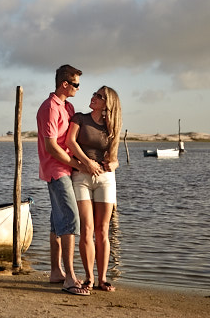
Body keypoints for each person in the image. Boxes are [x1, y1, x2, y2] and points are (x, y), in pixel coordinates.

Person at [36, 64, 88, 296]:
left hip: (67, 168)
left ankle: (56, 271)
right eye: (75, 84)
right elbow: (51, 146)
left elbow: (70, 140)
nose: (78, 88)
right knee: (70, 219)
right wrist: (77, 164)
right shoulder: (49, 107)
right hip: (56, 169)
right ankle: (69, 278)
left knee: (57, 222)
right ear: (64, 84)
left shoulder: (68, 107)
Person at [67, 85, 122, 292]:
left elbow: (114, 158)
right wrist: (87, 162)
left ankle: (103, 278)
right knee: (87, 229)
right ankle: (89, 278)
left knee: (102, 230)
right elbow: (70, 142)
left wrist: (114, 164)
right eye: (94, 94)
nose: (94, 97)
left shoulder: (111, 127)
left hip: (105, 179)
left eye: (99, 96)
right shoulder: (80, 118)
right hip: (81, 176)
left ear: (108, 103)